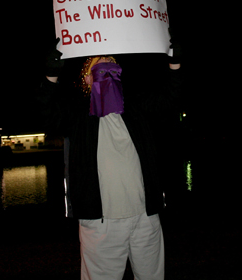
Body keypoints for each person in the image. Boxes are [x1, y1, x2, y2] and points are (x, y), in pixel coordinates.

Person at [37, 37, 182, 280]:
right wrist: (51, 76)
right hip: (101, 223)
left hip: (146, 217)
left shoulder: (136, 108)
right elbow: (44, 113)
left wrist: (175, 63)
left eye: (112, 68)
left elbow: (170, 98)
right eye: (99, 69)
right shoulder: (77, 115)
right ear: (87, 79)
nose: (107, 72)